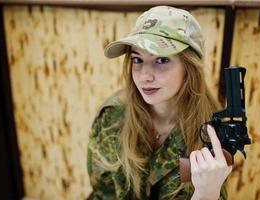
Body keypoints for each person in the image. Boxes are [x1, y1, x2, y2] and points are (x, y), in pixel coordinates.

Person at [87, 5, 232, 200]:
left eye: (161, 60)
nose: (145, 76)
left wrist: (206, 194)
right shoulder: (112, 116)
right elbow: (102, 193)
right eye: (137, 59)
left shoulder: (212, 134)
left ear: (189, 68)